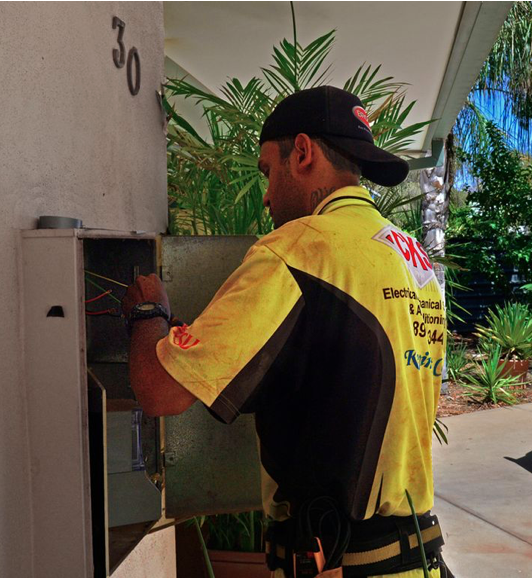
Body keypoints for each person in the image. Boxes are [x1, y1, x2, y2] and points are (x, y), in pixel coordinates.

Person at [122, 86, 451, 578]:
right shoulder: (411, 257)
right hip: (417, 560)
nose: (268, 195)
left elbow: (159, 390)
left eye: (267, 172)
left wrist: (148, 311)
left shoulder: (297, 251)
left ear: (301, 153)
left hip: (342, 565)